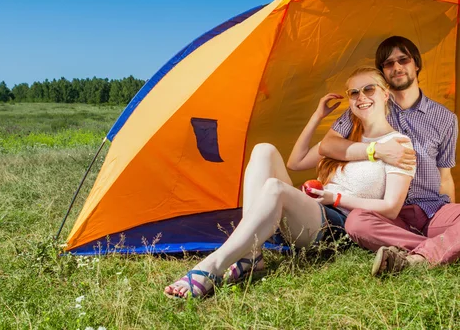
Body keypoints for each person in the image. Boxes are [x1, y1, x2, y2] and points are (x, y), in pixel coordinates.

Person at [164, 67, 415, 298]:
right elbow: (296, 162)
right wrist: (318, 115)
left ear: (385, 94)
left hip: (340, 225)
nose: (362, 97)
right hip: (315, 210)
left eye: (369, 89)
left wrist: (335, 199)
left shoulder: (398, 144)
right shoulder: (346, 141)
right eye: (354, 92)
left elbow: (391, 207)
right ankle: (250, 256)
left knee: (276, 189)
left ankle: (212, 266)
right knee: (264, 150)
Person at [319, 36, 460, 274]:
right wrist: (376, 150)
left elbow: (444, 175)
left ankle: (422, 256)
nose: (396, 67)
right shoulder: (368, 105)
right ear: (382, 74)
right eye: (388, 64)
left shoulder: (445, 118)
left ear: (416, 64)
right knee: (356, 222)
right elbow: (328, 145)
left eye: (403, 60)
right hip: (389, 214)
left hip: (434, 211)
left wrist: (453, 224)